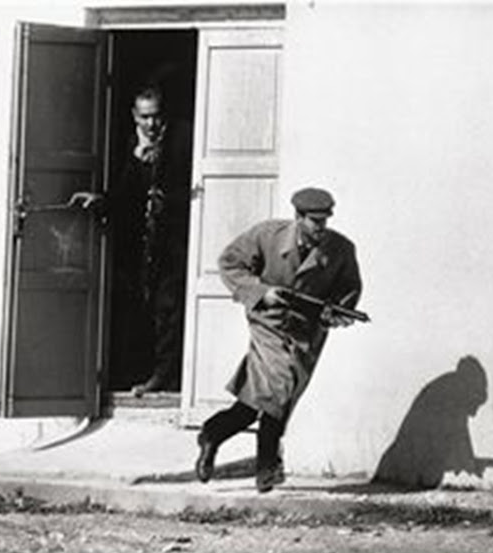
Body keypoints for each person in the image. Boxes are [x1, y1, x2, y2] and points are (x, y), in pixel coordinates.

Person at [195, 187, 363, 493]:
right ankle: (267, 467)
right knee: (281, 386)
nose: (321, 228)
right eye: (314, 221)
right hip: (268, 323)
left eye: (325, 221)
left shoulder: (340, 249)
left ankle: (212, 434)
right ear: (297, 217)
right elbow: (229, 263)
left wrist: (337, 314)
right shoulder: (267, 235)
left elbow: (349, 289)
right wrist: (261, 292)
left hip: (306, 333)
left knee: (255, 403)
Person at [110, 85, 192, 397]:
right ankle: (136, 372)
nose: (151, 124)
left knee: (168, 309)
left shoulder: (183, 139)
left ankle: (165, 377)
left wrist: (168, 200)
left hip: (174, 242)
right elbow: (124, 194)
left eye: (156, 116)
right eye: (144, 117)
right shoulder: (132, 142)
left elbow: (193, 188)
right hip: (141, 244)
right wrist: (137, 159)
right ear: (134, 116)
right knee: (139, 308)